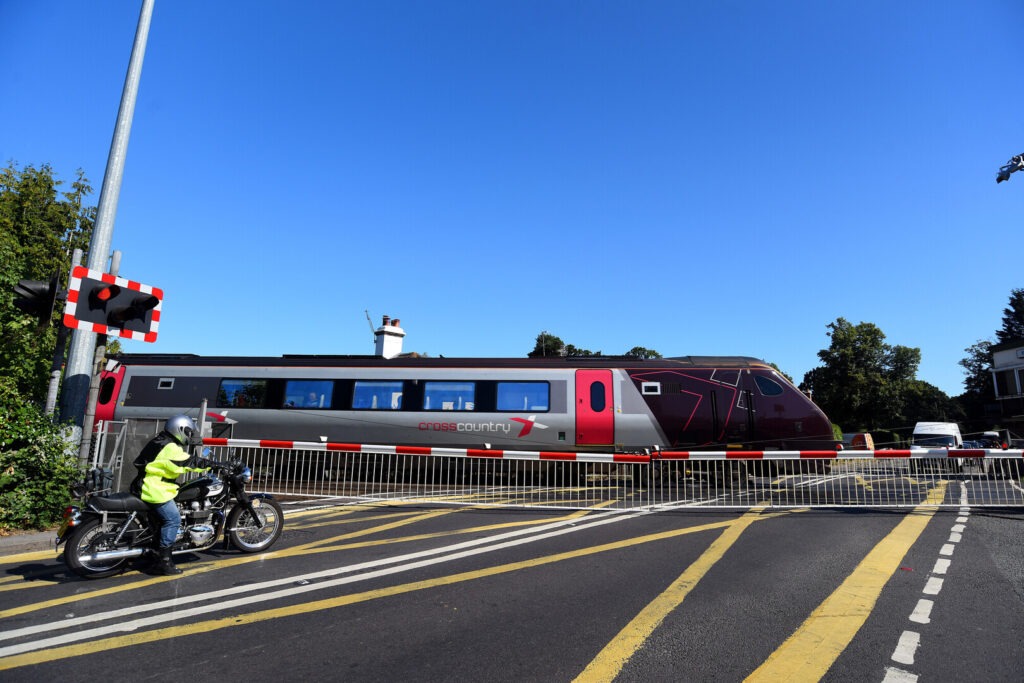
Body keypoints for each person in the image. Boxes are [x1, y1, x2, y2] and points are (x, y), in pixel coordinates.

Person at [130, 415, 210, 575]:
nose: (189, 436)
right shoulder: (170, 447)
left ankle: (154, 553)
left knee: (160, 522)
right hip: (154, 488)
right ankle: (164, 561)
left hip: (145, 484)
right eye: (188, 432)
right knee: (173, 520)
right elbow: (188, 463)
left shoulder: (160, 440)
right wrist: (213, 464)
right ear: (180, 429)